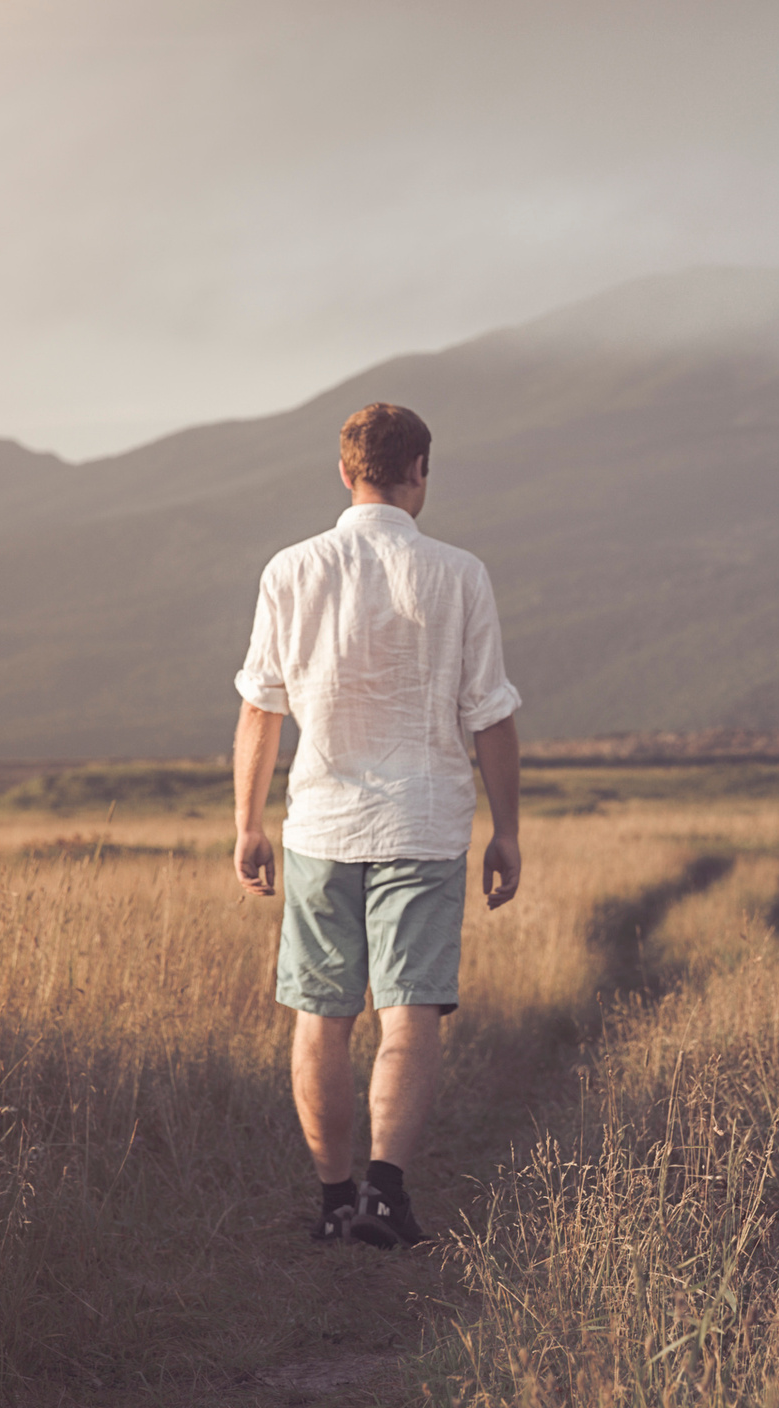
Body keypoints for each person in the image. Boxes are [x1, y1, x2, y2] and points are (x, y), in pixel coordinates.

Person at [231, 402, 523, 1250]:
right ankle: (387, 1196)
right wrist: (507, 831)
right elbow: (491, 718)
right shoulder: (461, 573)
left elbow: (260, 711)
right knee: (409, 1015)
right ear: (420, 470)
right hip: (425, 824)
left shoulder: (289, 569)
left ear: (345, 469)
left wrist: (248, 822)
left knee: (320, 1016)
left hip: (320, 825)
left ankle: (332, 1201)